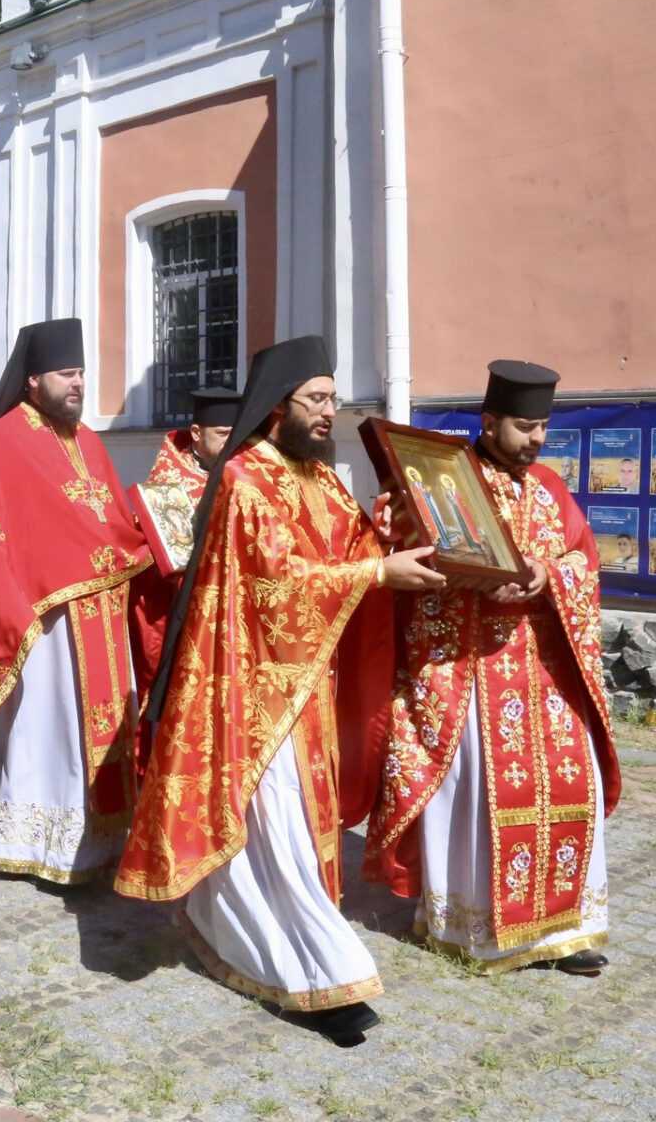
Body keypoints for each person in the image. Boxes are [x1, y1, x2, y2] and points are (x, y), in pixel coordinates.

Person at [118, 337, 444, 1046]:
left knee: (296, 832)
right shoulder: (244, 477)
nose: (330, 413)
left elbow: (351, 551)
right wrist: (377, 574)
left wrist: (387, 533)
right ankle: (319, 976)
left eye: (333, 398)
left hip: (309, 685)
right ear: (279, 408)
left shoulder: (321, 477)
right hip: (253, 688)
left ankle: (238, 929)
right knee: (279, 830)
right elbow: (276, 587)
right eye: (317, 400)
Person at [367, 360, 621, 980]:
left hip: (544, 662)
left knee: (570, 782)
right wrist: (465, 579)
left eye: (542, 427)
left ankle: (565, 929)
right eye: (525, 427)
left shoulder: (549, 488)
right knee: (479, 790)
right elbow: (401, 550)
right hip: (469, 667)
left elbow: (581, 560)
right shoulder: (441, 478)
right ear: (489, 421)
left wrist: (545, 575)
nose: (538, 439)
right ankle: (469, 925)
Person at [0, 319, 151, 885]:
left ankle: (104, 838)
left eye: (83, 373)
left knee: (101, 725)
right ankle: (39, 844)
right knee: (47, 725)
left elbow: (106, 519)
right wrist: (21, 604)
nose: (79, 384)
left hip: (101, 615)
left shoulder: (89, 441)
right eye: (68, 374)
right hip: (46, 621)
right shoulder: (7, 438)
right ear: (35, 378)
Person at [125, 387, 240, 697]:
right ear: (196, 433)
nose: (231, 443)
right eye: (222, 434)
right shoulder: (166, 483)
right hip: (181, 610)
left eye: (235, 435)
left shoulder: (240, 476)